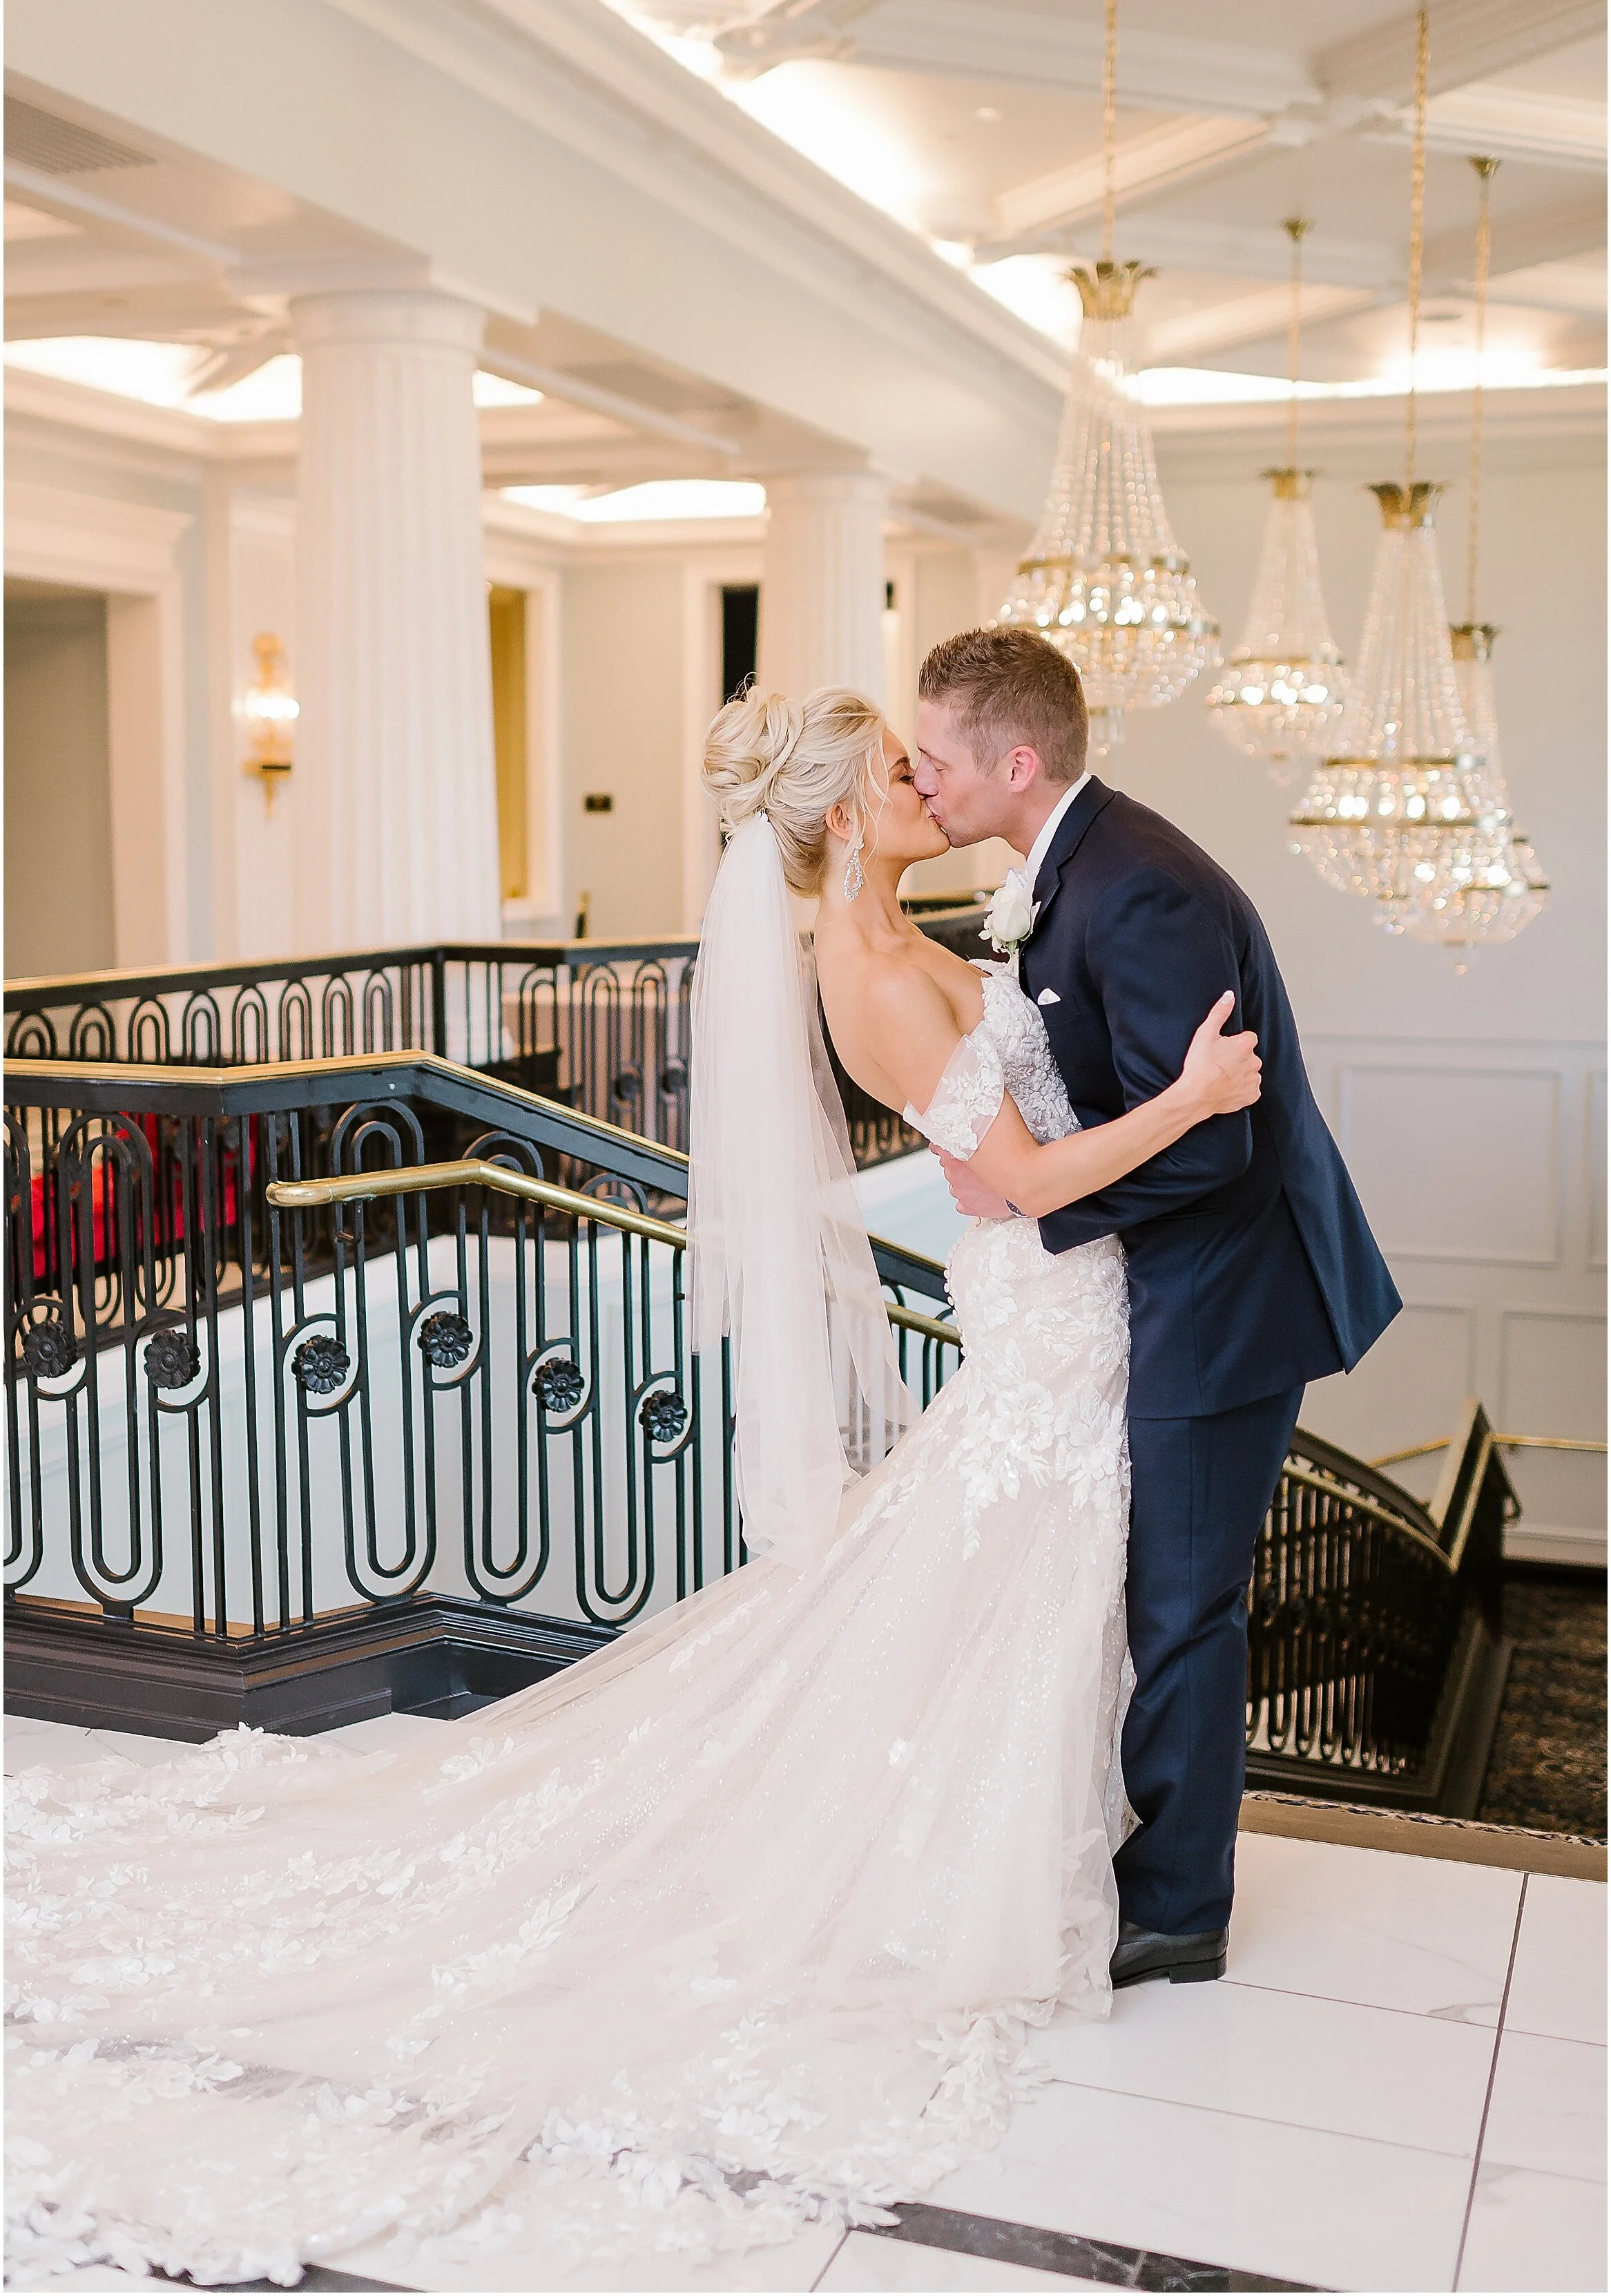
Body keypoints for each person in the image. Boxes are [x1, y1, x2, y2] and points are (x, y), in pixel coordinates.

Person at [6, 687, 1260, 2288]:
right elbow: (1009, 1179)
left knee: (1000, 1596)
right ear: (831, 817)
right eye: (893, 770)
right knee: (1004, 1586)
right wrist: (1183, 1102)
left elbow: (989, 1144)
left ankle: (1042, 1850)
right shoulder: (863, 971)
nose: (919, 785)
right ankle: (988, 1876)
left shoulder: (901, 933)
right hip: (1051, 1327)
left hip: (1067, 1322)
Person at [914, 626, 1401, 1989]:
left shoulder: (1134, 891)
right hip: (1172, 1283)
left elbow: (1210, 1141)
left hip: (1227, 1294)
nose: (921, 778)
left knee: (1182, 1599)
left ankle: (1174, 1913)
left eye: (936, 757)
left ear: (1016, 760)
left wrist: (1031, 1205)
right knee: (1156, 1587)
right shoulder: (1070, 872)